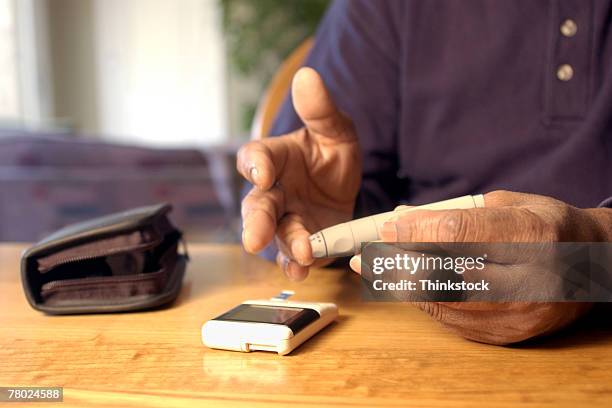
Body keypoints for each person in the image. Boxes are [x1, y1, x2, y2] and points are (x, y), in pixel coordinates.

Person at [236, 0, 612, 345]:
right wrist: (339, 216)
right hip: (414, 339)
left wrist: (595, 263)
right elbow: (271, 214)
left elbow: (594, 264)